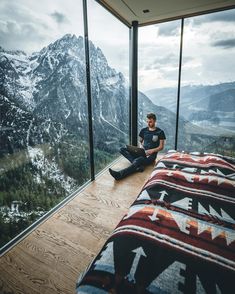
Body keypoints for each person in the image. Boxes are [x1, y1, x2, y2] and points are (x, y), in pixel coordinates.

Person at [109, 112, 166, 180]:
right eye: (147, 122)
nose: (148, 124)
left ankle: (119, 175)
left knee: (139, 160)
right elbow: (140, 141)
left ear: (155, 120)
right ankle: (138, 166)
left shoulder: (160, 132)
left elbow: (161, 147)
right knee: (122, 149)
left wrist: (152, 151)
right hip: (142, 152)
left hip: (151, 156)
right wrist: (141, 146)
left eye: (150, 122)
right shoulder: (143, 130)